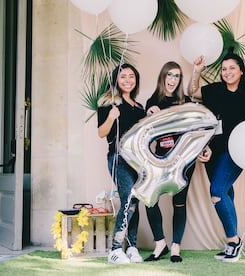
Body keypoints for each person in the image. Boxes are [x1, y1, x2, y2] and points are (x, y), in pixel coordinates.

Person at [188, 48, 245, 262]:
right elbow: (193, 92)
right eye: (224, 69)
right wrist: (196, 71)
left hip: (236, 151)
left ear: (240, 71)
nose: (227, 72)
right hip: (212, 152)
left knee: (217, 190)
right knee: (226, 194)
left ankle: (233, 240)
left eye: (232, 68)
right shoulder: (215, 90)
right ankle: (232, 243)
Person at [144, 61, 212, 263]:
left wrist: (205, 147)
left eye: (177, 76)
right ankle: (160, 244)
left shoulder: (187, 102)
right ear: (163, 76)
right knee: (149, 200)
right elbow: (145, 135)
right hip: (159, 160)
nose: (173, 80)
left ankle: (175, 247)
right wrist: (148, 116)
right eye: (170, 75)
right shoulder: (152, 102)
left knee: (179, 203)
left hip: (184, 161)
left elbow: (200, 128)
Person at [97, 63, 146, 265]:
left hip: (139, 162)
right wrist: (110, 117)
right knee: (127, 199)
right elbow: (101, 133)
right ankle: (115, 249)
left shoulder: (139, 107)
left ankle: (132, 247)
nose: (128, 80)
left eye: (131, 77)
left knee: (135, 201)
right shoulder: (108, 103)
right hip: (118, 159)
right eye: (123, 76)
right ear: (116, 79)